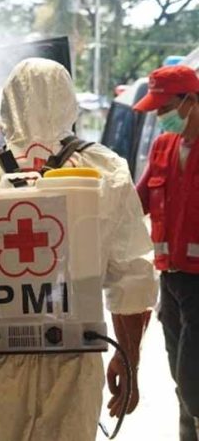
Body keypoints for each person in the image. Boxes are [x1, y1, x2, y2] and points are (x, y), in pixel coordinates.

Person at [0, 58, 158, 441]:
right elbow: (132, 278)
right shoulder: (106, 168)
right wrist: (129, 360)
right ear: (69, 101)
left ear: (8, 103)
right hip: (75, 351)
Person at [133, 64, 199, 441]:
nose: (159, 117)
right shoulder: (163, 147)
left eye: (163, 108)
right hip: (171, 281)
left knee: (194, 381)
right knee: (180, 376)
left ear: (189, 100)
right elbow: (137, 201)